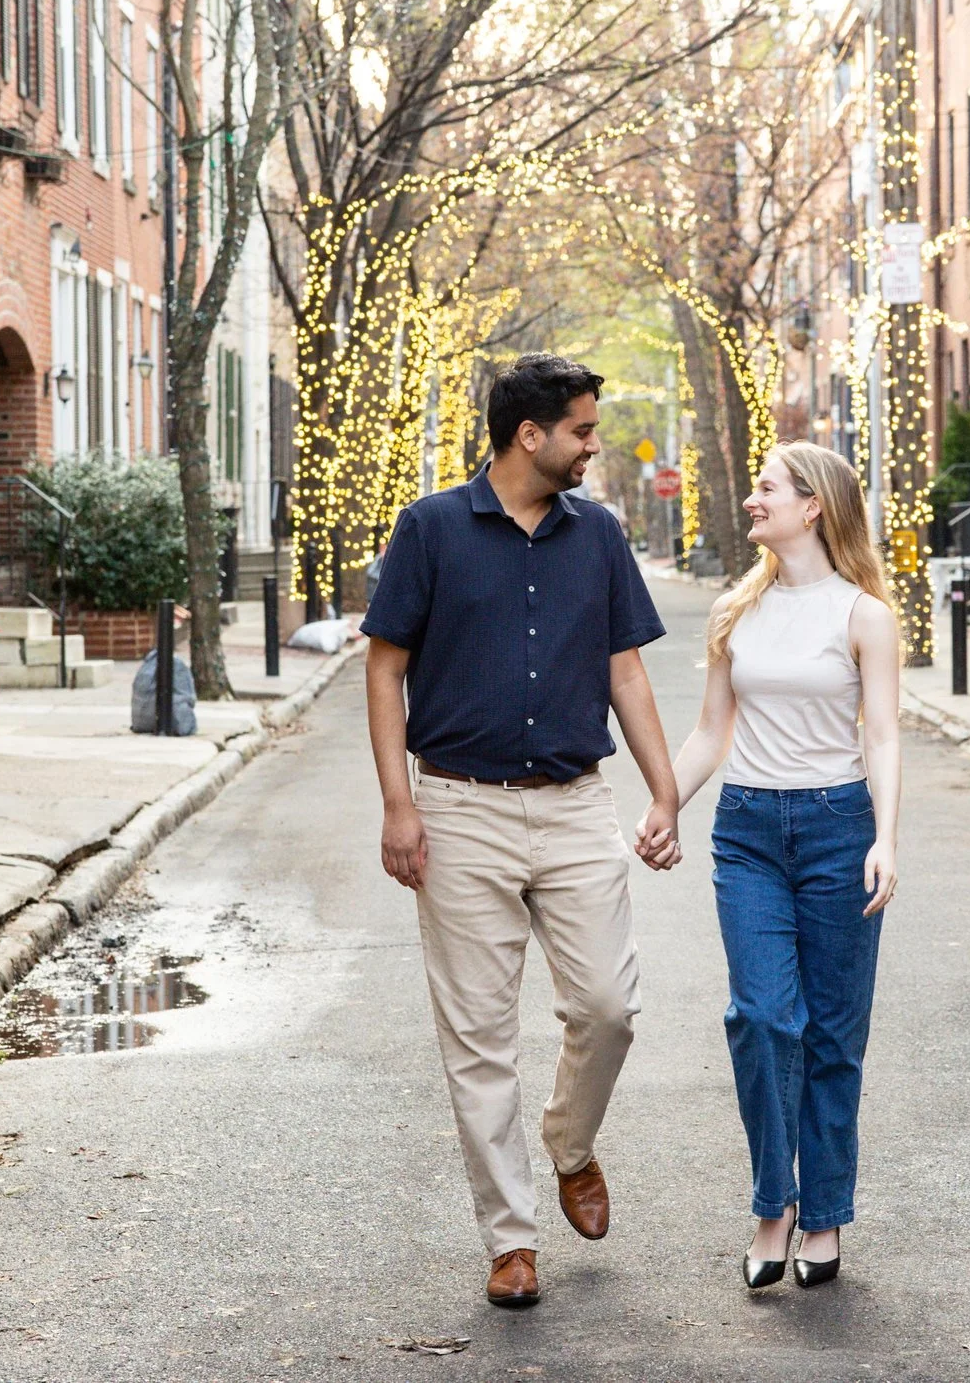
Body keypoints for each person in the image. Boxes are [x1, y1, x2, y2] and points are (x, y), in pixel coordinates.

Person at [361, 353, 683, 1311]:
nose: (595, 444)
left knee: (609, 1006)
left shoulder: (602, 536)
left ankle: (570, 1142)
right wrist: (398, 803)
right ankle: (511, 1240)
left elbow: (626, 671)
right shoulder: (429, 529)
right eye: (582, 430)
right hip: (459, 809)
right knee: (478, 1039)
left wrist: (663, 793)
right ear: (528, 435)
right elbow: (385, 671)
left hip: (579, 801)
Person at [653, 441, 901, 1290]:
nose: (753, 500)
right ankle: (774, 1204)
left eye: (766, 488)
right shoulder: (737, 611)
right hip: (748, 829)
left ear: (813, 506)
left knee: (834, 1031)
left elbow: (883, 733)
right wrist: (663, 804)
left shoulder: (863, 614)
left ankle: (825, 1212)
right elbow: (710, 733)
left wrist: (886, 836)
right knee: (762, 1016)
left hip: (839, 826)